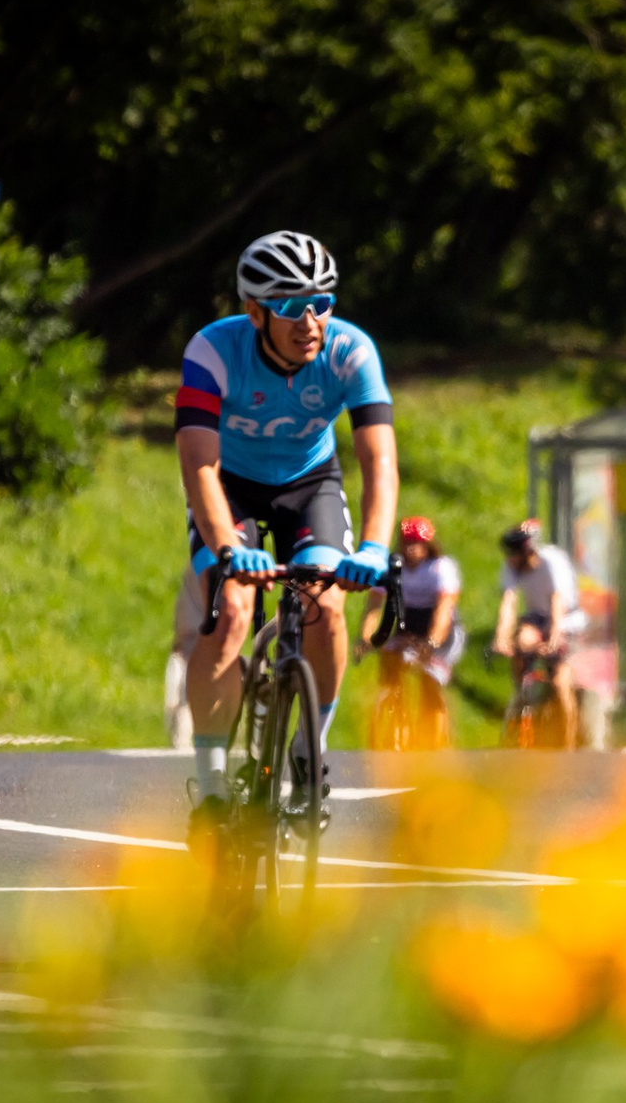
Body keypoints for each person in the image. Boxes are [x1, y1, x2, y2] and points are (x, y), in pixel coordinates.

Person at [176, 231, 397, 826]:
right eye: (291, 306)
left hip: (310, 482)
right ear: (255, 313)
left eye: (322, 303)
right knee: (231, 611)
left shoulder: (350, 350)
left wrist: (374, 548)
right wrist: (228, 547)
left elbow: (378, 459)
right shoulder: (213, 350)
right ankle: (211, 786)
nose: (310, 321)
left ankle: (307, 751)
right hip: (229, 485)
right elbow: (198, 463)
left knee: (327, 605)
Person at [363, 515, 462, 743]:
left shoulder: (440, 568)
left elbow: (443, 610)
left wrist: (433, 641)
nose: (410, 549)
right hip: (408, 625)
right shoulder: (391, 568)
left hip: (442, 630)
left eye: (417, 543)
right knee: (390, 660)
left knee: (430, 678)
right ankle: (395, 710)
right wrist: (366, 637)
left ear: (428, 545)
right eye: (406, 542)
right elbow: (374, 606)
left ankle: (436, 739)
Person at [491, 519, 583, 749]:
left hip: (567, 619)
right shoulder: (512, 566)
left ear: (527, 551)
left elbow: (557, 600)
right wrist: (501, 638)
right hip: (538, 616)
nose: (510, 559)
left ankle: (568, 742)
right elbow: (509, 602)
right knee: (522, 640)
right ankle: (522, 690)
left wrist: (555, 636)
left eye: (514, 553)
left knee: (560, 684)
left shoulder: (552, 561)